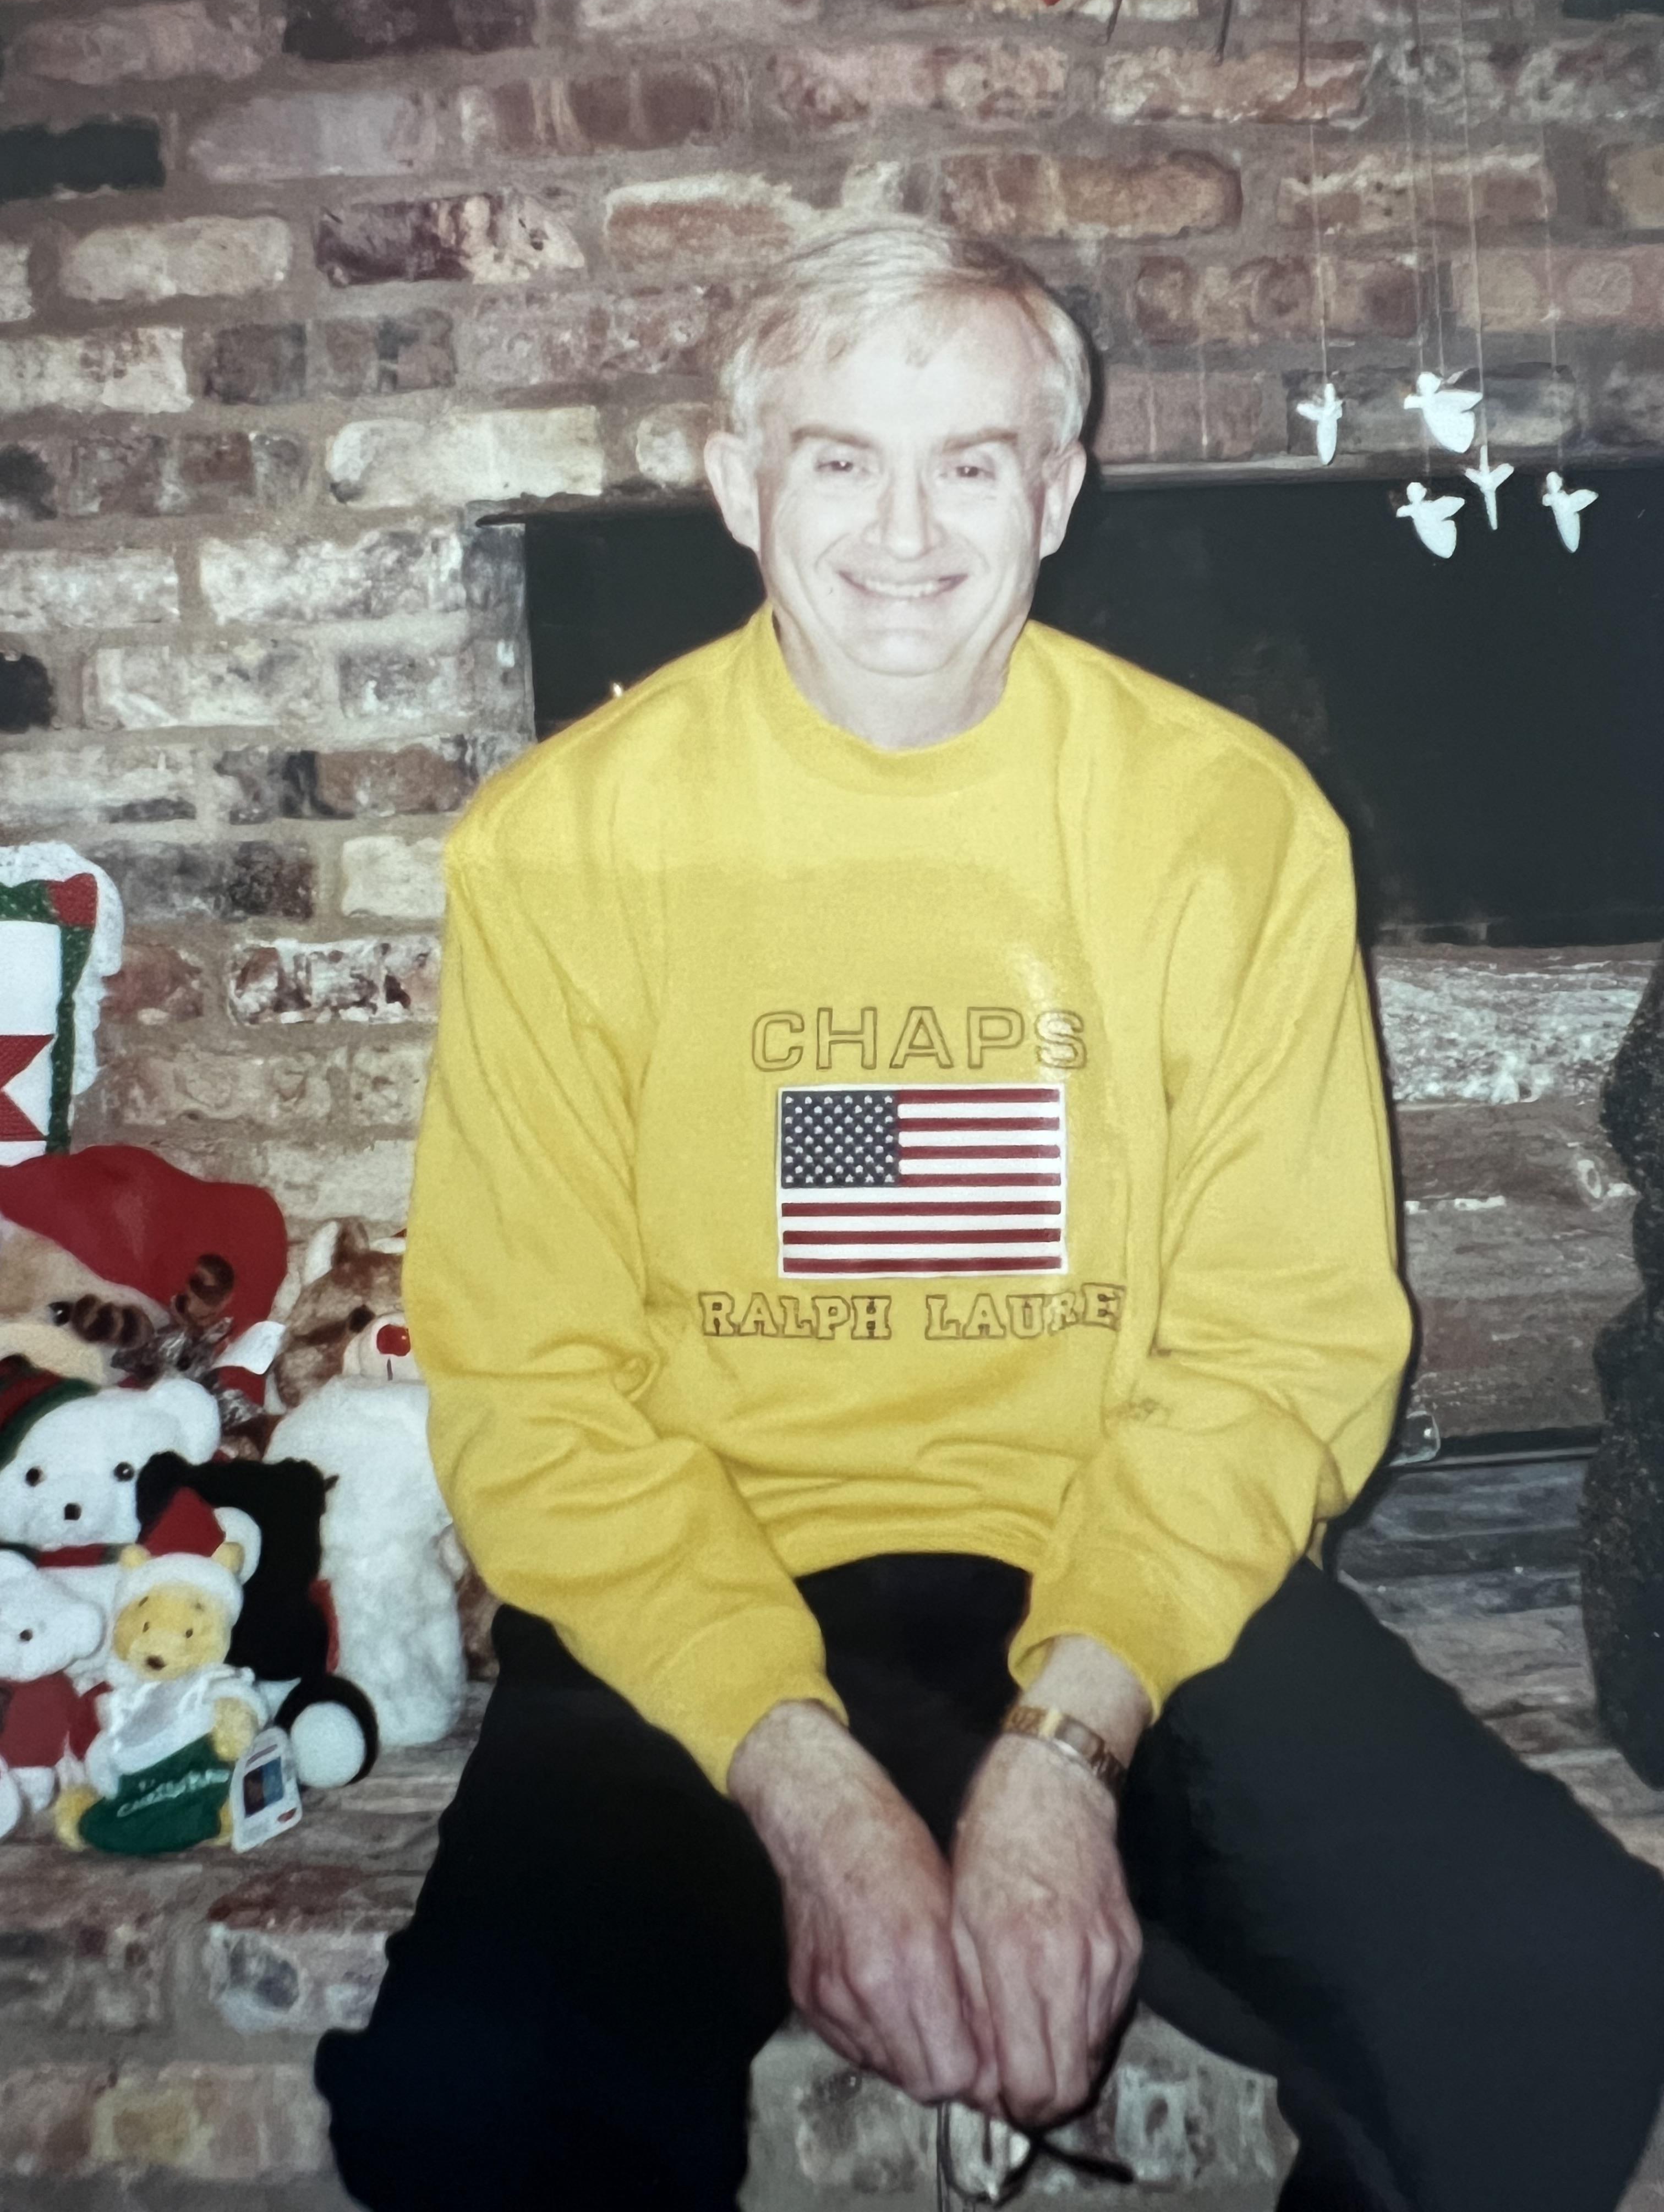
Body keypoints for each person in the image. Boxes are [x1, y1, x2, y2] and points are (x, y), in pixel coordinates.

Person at [315, 222, 1664, 2212]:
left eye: (972, 462)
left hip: (1119, 1570)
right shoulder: (565, 842)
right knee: (472, 2102)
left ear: (1058, 486)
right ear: (737, 483)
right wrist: (802, 1783)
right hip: (710, 1570)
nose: (908, 533)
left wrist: (1067, 1747)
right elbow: (536, 1382)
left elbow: (1284, 1344)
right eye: (842, 457)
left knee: (1564, 1988)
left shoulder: (1230, 817)